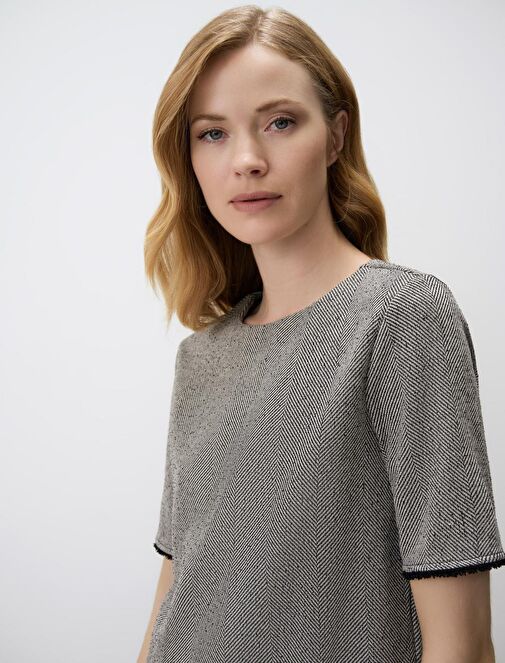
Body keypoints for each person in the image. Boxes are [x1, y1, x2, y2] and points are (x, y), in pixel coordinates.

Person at [138, 6, 505, 663]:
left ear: (335, 136)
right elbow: (176, 591)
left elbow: (464, 645)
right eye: (212, 133)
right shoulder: (201, 357)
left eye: (279, 122)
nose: (247, 160)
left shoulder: (400, 317)